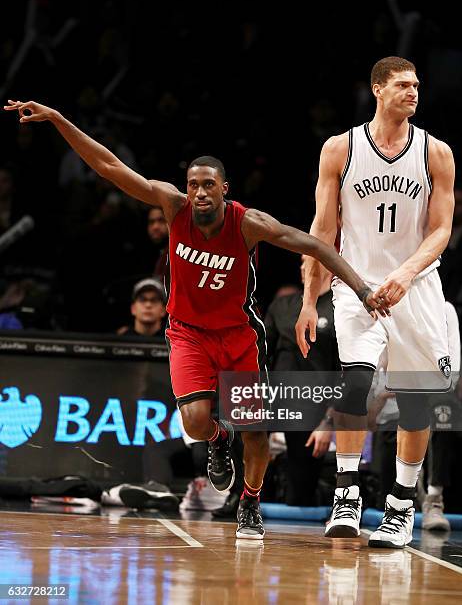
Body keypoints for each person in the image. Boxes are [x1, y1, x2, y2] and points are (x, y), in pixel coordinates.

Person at [4, 99, 388, 540]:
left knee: (257, 435)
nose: (200, 192)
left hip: (239, 337)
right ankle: (217, 441)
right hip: (188, 334)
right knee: (195, 420)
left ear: (225, 188)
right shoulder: (173, 207)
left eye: (208, 184)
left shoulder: (249, 224)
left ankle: (249, 500)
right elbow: (108, 165)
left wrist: (361, 288)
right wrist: (57, 119)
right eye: (193, 185)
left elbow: (315, 246)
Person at [296, 56, 455, 548]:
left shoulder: (436, 152)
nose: (413, 92)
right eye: (403, 85)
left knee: (414, 402)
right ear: (377, 88)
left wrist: (406, 274)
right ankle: (347, 496)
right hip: (357, 285)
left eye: (417, 85)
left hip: (417, 288)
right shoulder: (340, 148)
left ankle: (401, 507)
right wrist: (309, 298)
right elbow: (322, 230)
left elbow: (441, 229)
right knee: (356, 385)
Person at [264, 255, 338, 506]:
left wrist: (328, 422)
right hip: (272, 400)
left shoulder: (341, 309)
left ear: (329, 267)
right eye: (302, 261)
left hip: (312, 410)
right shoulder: (281, 306)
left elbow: (346, 373)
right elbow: (261, 356)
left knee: (300, 491)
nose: (303, 266)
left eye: (310, 260)